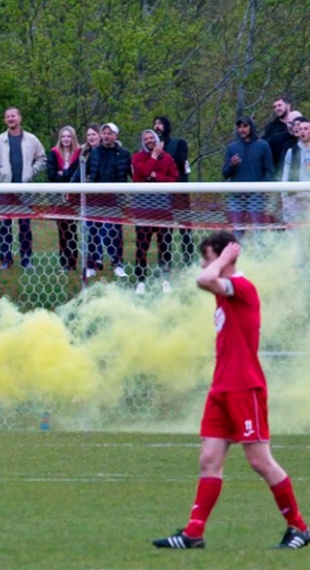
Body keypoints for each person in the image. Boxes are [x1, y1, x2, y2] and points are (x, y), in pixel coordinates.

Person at [153, 231, 310, 550]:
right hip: (221, 388)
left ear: (224, 257)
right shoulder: (224, 292)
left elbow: (203, 279)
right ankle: (193, 533)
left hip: (244, 387)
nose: (203, 263)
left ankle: (299, 528)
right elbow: (207, 279)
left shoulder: (243, 287)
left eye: (207, 256)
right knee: (209, 459)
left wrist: (223, 259)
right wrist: (219, 260)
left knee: (260, 461)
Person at [0, 107, 48, 270]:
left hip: (25, 189)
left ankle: (26, 259)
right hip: (5, 188)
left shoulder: (31, 139)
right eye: (7, 117)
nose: (11, 119)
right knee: (5, 224)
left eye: (13, 116)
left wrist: (31, 171)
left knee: (25, 225)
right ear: (5, 120)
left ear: (19, 118)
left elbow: (42, 158)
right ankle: (6, 259)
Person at [77, 122, 131, 278]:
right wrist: (70, 188)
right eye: (104, 133)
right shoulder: (94, 153)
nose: (106, 136)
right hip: (95, 199)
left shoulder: (124, 154)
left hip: (115, 200)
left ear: (116, 135)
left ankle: (117, 263)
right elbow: (82, 171)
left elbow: (133, 173)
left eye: (110, 133)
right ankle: (91, 265)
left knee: (113, 233)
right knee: (92, 232)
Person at [131, 130, 178, 295]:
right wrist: (153, 157)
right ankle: (141, 280)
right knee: (142, 246)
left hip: (163, 209)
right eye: (146, 139)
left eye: (152, 138)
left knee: (165, 245)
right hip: (142, 209)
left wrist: (156, 176)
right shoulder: (137, 157)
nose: (149, 141)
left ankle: (165, 279)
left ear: (157, 139)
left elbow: (174, 179)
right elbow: (143, 173)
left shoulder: (167, 158)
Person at [153, 116, 193, 265]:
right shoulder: (151, 147)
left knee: (185, 228)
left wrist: (160, 154)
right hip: (160, 194)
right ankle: (164, 262)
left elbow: (180, 161)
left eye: (160, 123)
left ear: (167, 126)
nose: (157, 127)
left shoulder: (179, 143)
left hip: (179, 191)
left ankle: (188, 261)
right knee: (164, 230)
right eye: (155, 124)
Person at [222, 116, 274, 230]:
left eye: (245, 126)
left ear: (251, 127)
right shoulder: (232, 147)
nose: (242, 129)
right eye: (239, 127)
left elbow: (269, 171)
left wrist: (263, 189)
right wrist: (232, 165)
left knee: (257, 231)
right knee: (237, 231)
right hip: (235, 195)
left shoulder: (263, 145)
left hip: (256, 195)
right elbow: (225, 173)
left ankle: (256, 249)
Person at [46, 126, 82, 272]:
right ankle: (64, 262)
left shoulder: (79, 154)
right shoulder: (54, 153)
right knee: (62, 230)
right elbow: (51, 175)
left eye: (69, 136)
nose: (66, 139)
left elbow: (77, 174)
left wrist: (63, 174)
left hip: (74, 198)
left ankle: (72, 262)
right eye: (63, 136)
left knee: (72, 229)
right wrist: (65, 176)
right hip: (59, 197)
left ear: (73, 138)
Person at [73, 124, 103, 277]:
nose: (91, 137)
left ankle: (103, 259)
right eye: (89, 135)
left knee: (107, 231)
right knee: (91, 229)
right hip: (90, 198)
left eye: (94, 134)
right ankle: (93, 261)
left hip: (104, 197)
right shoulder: (85, 153)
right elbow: (79, 172)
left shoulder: (105, 151)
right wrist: (71, 187)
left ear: (100, 136)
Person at [280, 117, 310, 224]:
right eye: (300, 129)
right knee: (293, 230)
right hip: (295, 197)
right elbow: (285, 175)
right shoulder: (291, 151)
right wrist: (284, 195)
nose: (302, 131)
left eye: (306, 128)